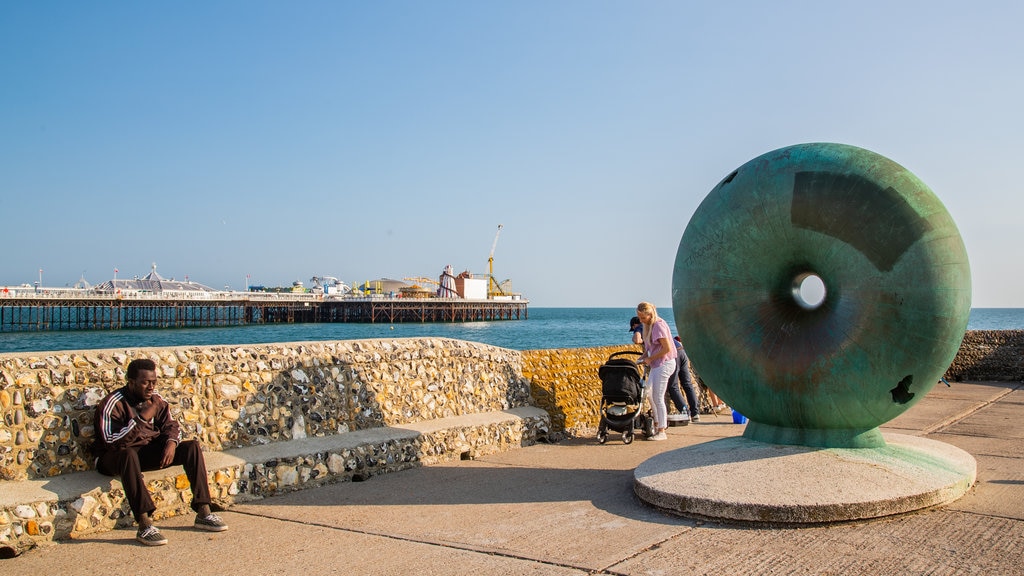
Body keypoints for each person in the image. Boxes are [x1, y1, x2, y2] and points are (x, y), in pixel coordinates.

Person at [93, 358, 228, 546]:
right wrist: (142, 418)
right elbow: (111, 441)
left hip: (144, 453)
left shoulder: (156, 400)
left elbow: (172, 426)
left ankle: (203, 510)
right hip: (114, 457)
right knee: (128, 454)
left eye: (154, 382)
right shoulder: (113, 403)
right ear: (131, 382)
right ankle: (144, 523)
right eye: (145, 382)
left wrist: (172, 443)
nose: (151, 387)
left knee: (191, 447)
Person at [634, 302, 676, 441]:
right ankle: (657, 423)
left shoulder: (658, 325)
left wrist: (650, 358)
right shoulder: (648, 326)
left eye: (642, 318)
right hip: (657, 364)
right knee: (649, 393)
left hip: (664, 364)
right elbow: (650, 347)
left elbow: (666, 348)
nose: (641, 321)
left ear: (650, 314)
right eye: (639, 318)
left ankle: (662, 430)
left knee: (658, 397)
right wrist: (643, 357)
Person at [668, 336, 701, 421]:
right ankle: (695, 413)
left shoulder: (641, 328)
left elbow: (637, 339)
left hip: (674, 354)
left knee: (673, 386)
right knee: (687, 383)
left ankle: (685, 413)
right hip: (681, 351)